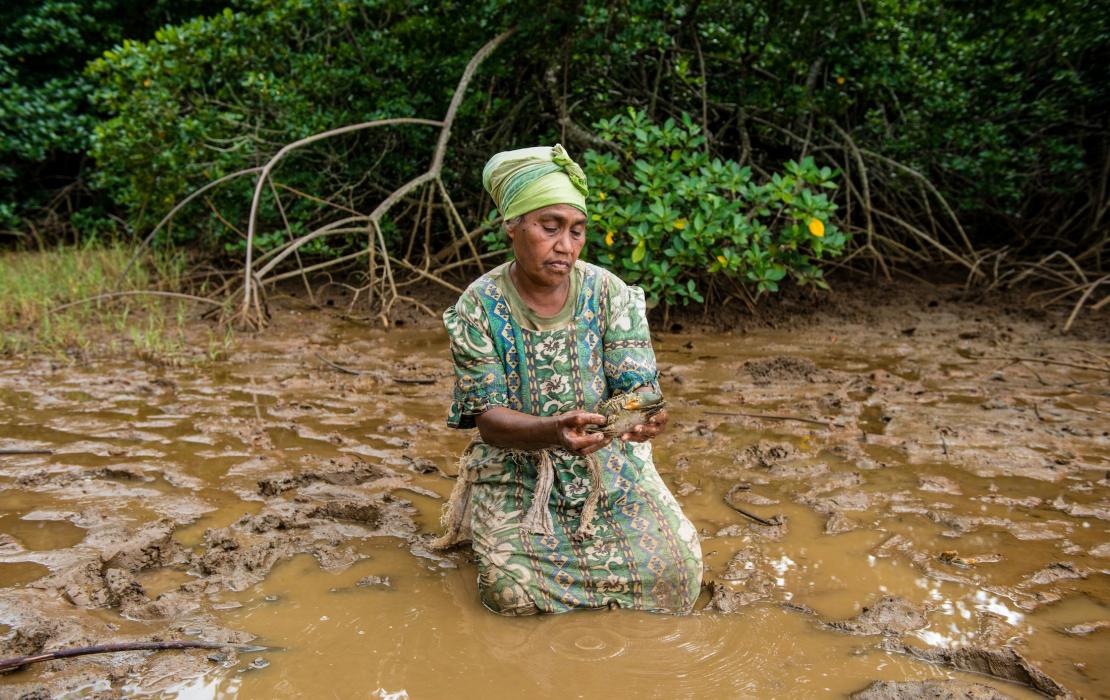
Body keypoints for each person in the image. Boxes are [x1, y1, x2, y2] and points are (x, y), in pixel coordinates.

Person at [432, 144, 702, 616]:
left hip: (610, 466)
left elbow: (640, 388)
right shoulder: (479, 305)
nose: (566, 245)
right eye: (549, 227)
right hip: (517, 470)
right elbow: (490, 422)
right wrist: (553, 432)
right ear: (512, 226)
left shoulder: (609, 292)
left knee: (679, 572)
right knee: (509, 595)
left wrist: (645, 418)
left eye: (576, 231)